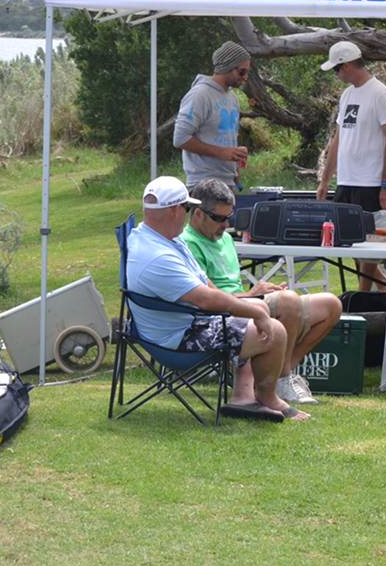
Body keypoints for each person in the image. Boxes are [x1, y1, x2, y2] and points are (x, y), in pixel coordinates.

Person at [126, 176, 307, 422]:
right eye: (186, 208)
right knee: (274, 331)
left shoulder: (156, 238)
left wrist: (250, 306)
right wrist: (255, 313)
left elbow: (204, 283)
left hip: (177, 322)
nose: (188, 216)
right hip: (177, 338)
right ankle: (267, 398)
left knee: (257, 307)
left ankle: (243, 398)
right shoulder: (158, 256)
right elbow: (204, 299)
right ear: (174, 210)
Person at [179, 178, 343, 406]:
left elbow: (231, 288)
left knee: (331, 305)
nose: (226, 225)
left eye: (229, 217)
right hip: (225, 312)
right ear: (198, 214)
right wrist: (252, 294)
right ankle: (281, 381)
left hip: (246, 302)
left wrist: (255, 293)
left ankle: (286, 370)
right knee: (288, 300)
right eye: (219, 218)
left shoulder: (225, 238)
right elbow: (208, 298)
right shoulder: (188, 244)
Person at [316, 40, 386, 290]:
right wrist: (325, 179)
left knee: (371, 243)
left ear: (347, 65)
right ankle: (383, 288)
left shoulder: (380, 93)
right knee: (348, 240)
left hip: (370, 182)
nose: (337, 75)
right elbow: (338, 138)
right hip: (346, 181)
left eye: (336, 69)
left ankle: (364, 295)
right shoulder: (347, 94)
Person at [173, 41, 252, 189]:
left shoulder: (232, 98)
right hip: (203, 184)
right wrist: (222, 152)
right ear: (227, 67)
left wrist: (235, 165)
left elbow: (227, 139)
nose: (245, 77)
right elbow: (180, 138)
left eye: (247, 72)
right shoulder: (200, 95)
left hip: (228, 184)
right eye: (242, 72)